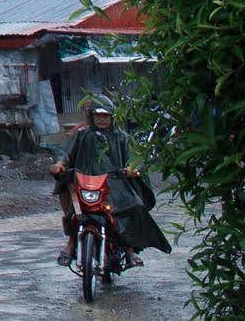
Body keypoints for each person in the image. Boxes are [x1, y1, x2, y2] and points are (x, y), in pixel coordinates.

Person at [50, 98, 170, 266]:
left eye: (106, 116)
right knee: (75, 210)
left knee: (133, 206)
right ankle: (70, 244)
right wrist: (59, 164)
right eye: (98, 116)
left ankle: (130, 249)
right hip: (86, 181)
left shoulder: (122, 137)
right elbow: (66, 153)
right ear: (92, 116)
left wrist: (131, 169)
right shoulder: (82, 134)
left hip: (115, 183)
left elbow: (134, 159)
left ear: (112, 117)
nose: (102, 119)